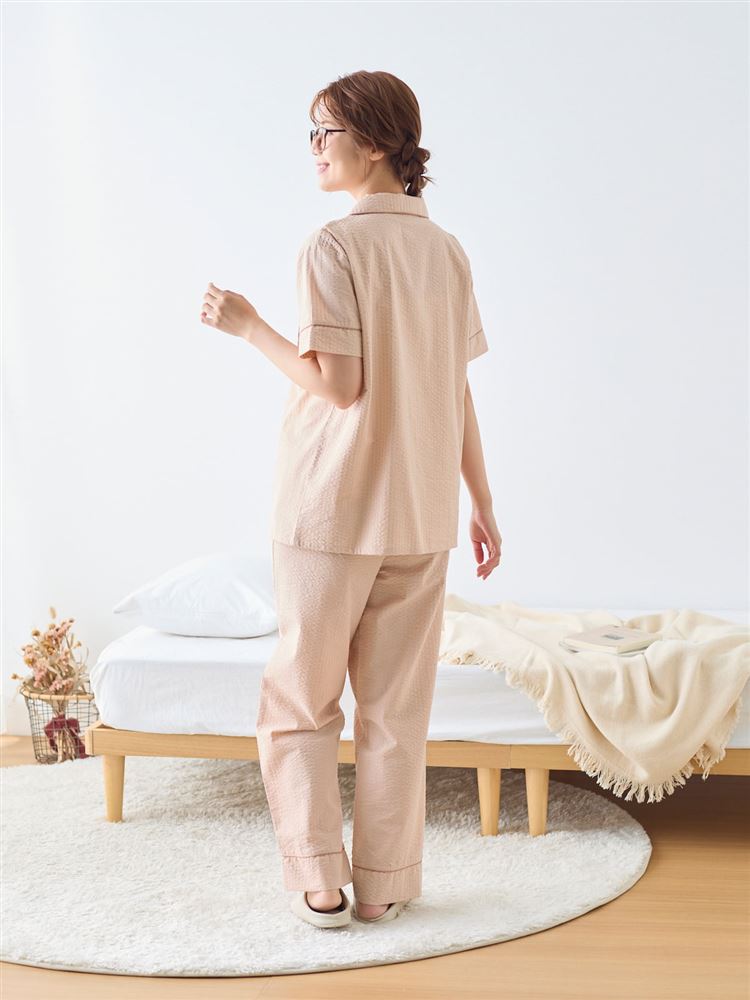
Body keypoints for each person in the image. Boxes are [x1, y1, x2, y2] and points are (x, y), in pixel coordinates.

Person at [200, 70, 501, 927]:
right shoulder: (447, 250)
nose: (314, 148)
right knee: (397, 712)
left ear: (372, 143)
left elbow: (337, 386)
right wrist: (481, 500)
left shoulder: (330, 246)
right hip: (421, 512)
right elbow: (455, 389)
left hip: (331, 511)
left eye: (323, 132)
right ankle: (385, 886)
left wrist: (249, 326)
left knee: (301, 700)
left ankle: (319, 881)